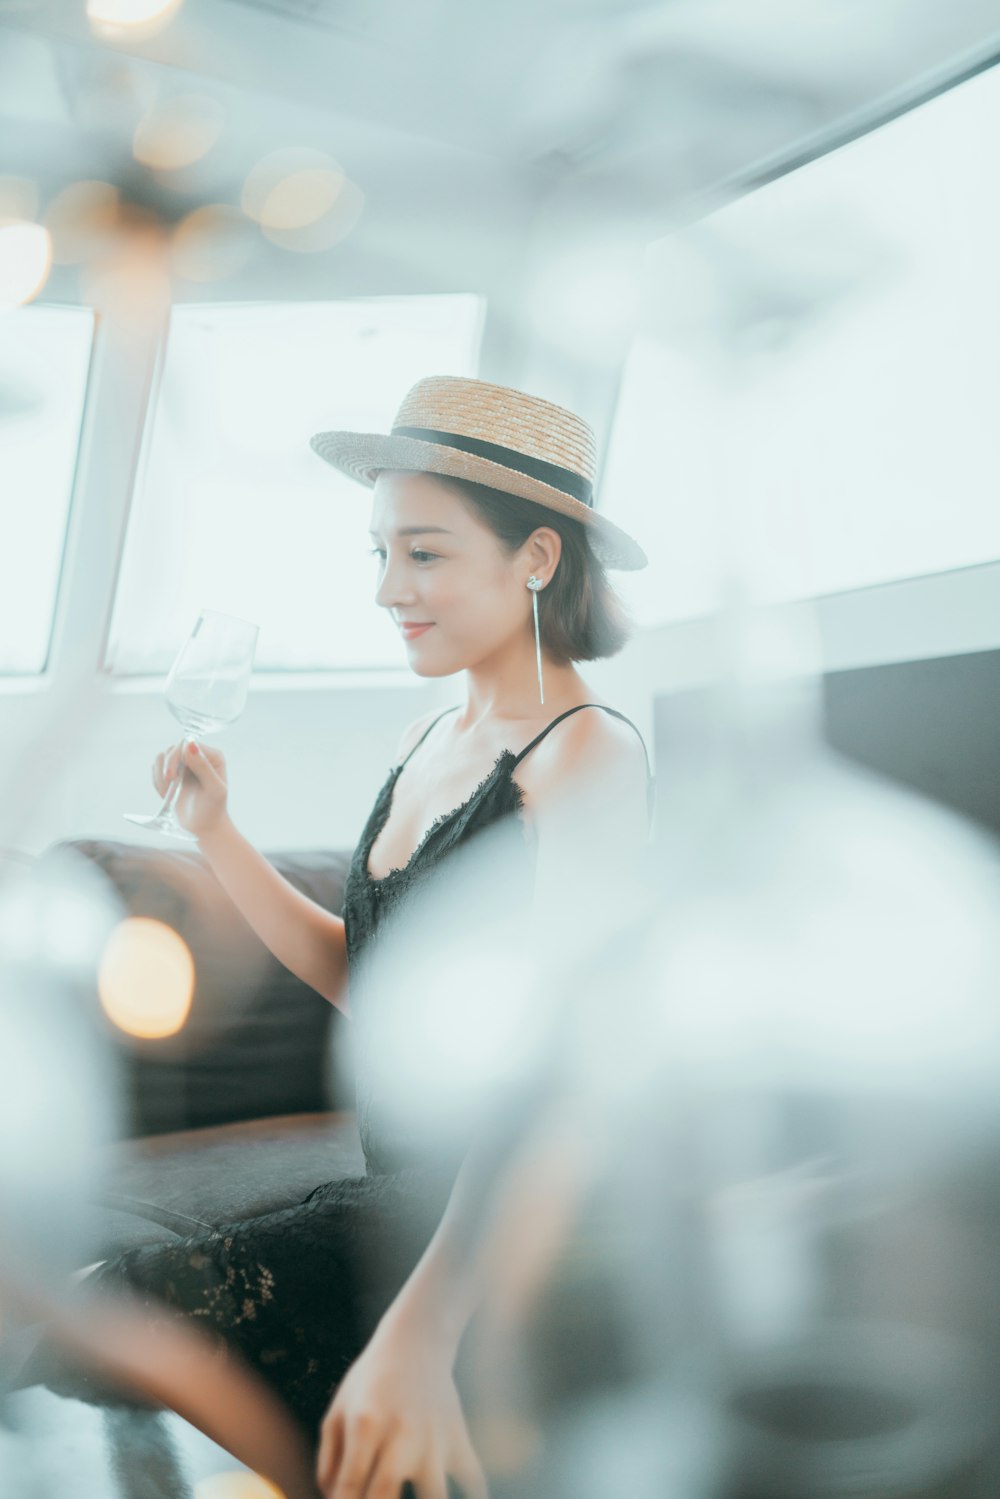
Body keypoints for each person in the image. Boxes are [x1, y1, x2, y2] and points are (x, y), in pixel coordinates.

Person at [34, 376, 654, 1499]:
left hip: (509, 1223)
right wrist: (216, 833)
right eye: (377, 552)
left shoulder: (586, 754)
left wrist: (420, 1334)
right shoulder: (431, 732)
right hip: (405, 1190)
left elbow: (557, 1080)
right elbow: (373, 982)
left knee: (114, 1308)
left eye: (421, 554)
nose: (385, 589)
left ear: (537, 559)